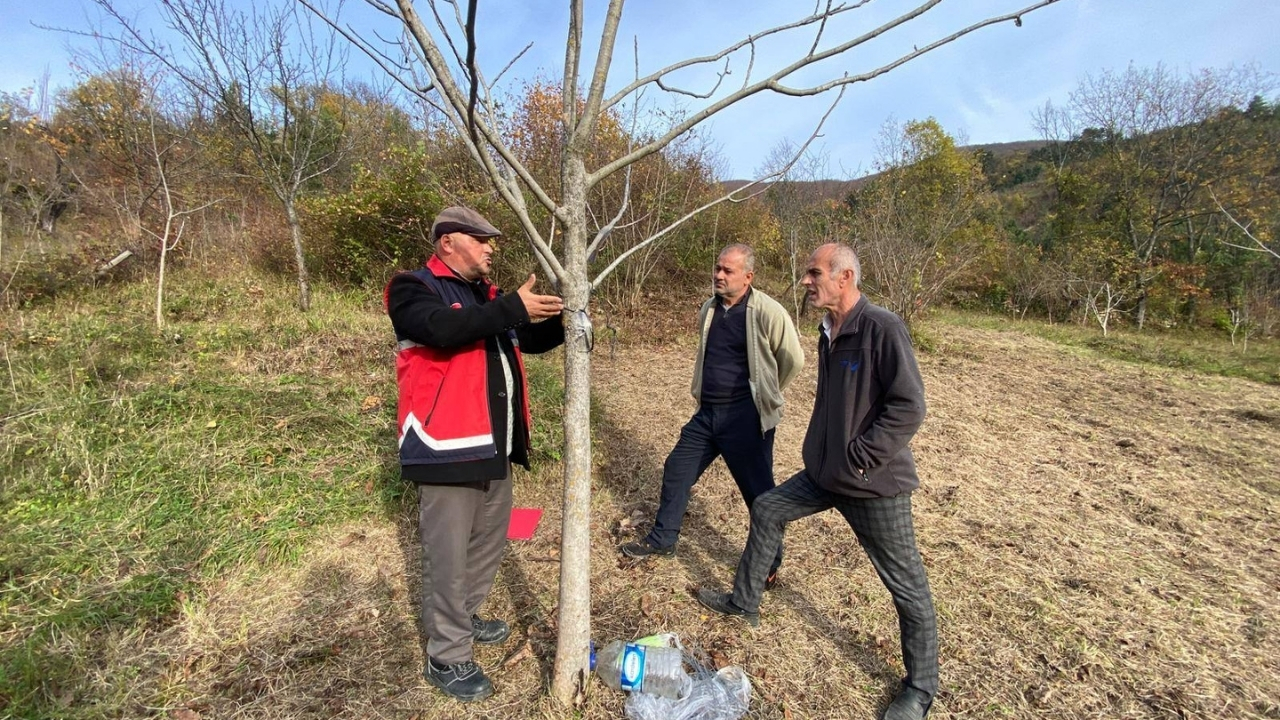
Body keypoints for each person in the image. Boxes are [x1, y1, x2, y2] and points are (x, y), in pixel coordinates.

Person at [695, 243, 939, 720]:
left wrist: (863, 457)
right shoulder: (829, 329)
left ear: (844, 277)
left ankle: (920, 690)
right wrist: (823, 455)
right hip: (825, 474)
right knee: (767, 507)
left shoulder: (882, 327)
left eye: (814, 273)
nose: (806, 281)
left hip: (874, 483)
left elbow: (910, 405)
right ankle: (744, 603)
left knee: (907, 586)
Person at [385, 205, 565, 702]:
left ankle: (465, 615)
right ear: (448, 243)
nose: (490, 248)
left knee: (487, 542)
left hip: (492, 446)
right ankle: (447, 655)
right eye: (480, 239)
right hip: (444, 449)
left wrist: (560, 315)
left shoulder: (486, 296)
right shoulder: (412, 288)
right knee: (447, 556)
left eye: (492, 241)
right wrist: (511, 307)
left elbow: (527, 338)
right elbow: (442, 330)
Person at [620, 243, 804, 589]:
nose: (718, 275)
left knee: (760, 495)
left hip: (747, 419)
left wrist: (766, 393)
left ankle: (768, 562)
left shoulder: (767, 311)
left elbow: (793, 359)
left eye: (728, 271)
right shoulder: (710, 308)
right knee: (677, 468)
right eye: (717, 268)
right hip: (707, 415)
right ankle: (663, 539)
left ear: (748, 277)